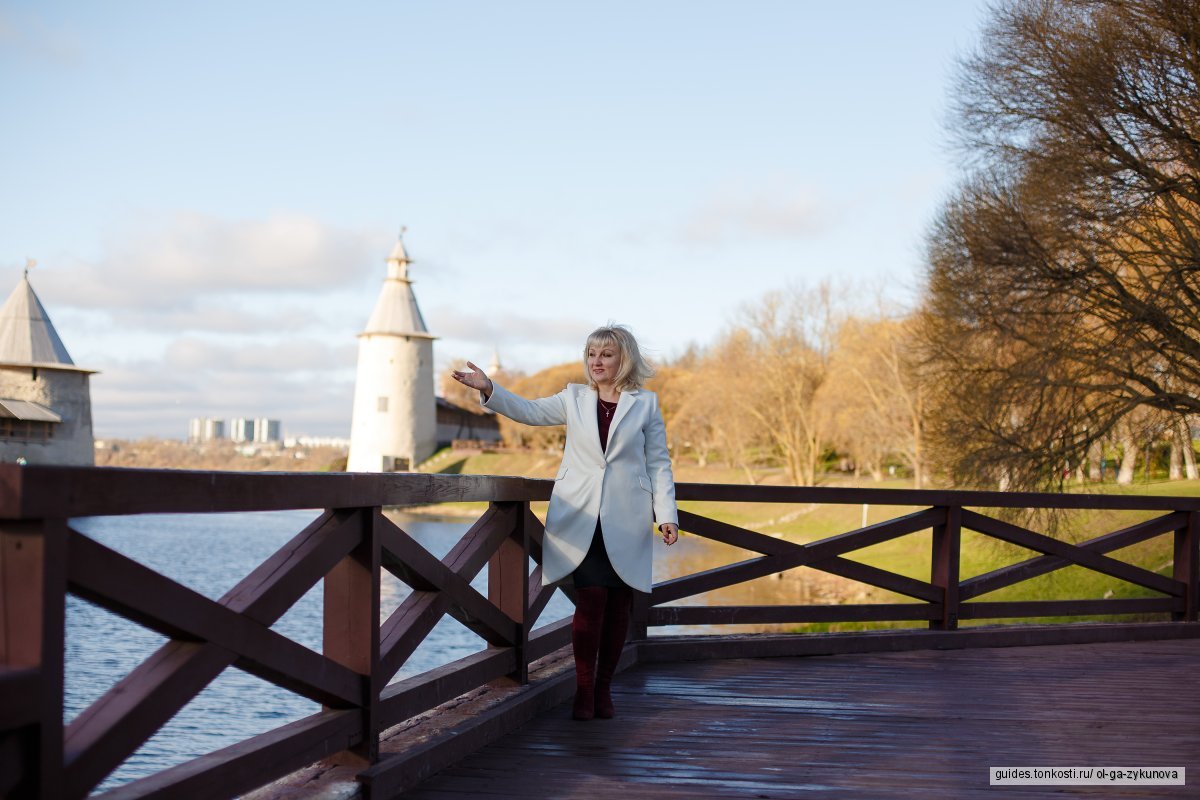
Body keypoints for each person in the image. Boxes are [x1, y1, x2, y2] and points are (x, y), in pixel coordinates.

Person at [452, 324, 679, 721]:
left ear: (622, 359)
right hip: (580, 514)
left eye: (606, 355)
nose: (597, 362)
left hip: (627, 518)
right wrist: (490, 388)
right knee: (591, 601)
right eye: (592, 354)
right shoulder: (573, 397)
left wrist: (666, 515)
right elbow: (530, 411)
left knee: (619, 607)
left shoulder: (646, 404)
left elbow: (659, 463)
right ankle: (584, 690)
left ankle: (605, 689)